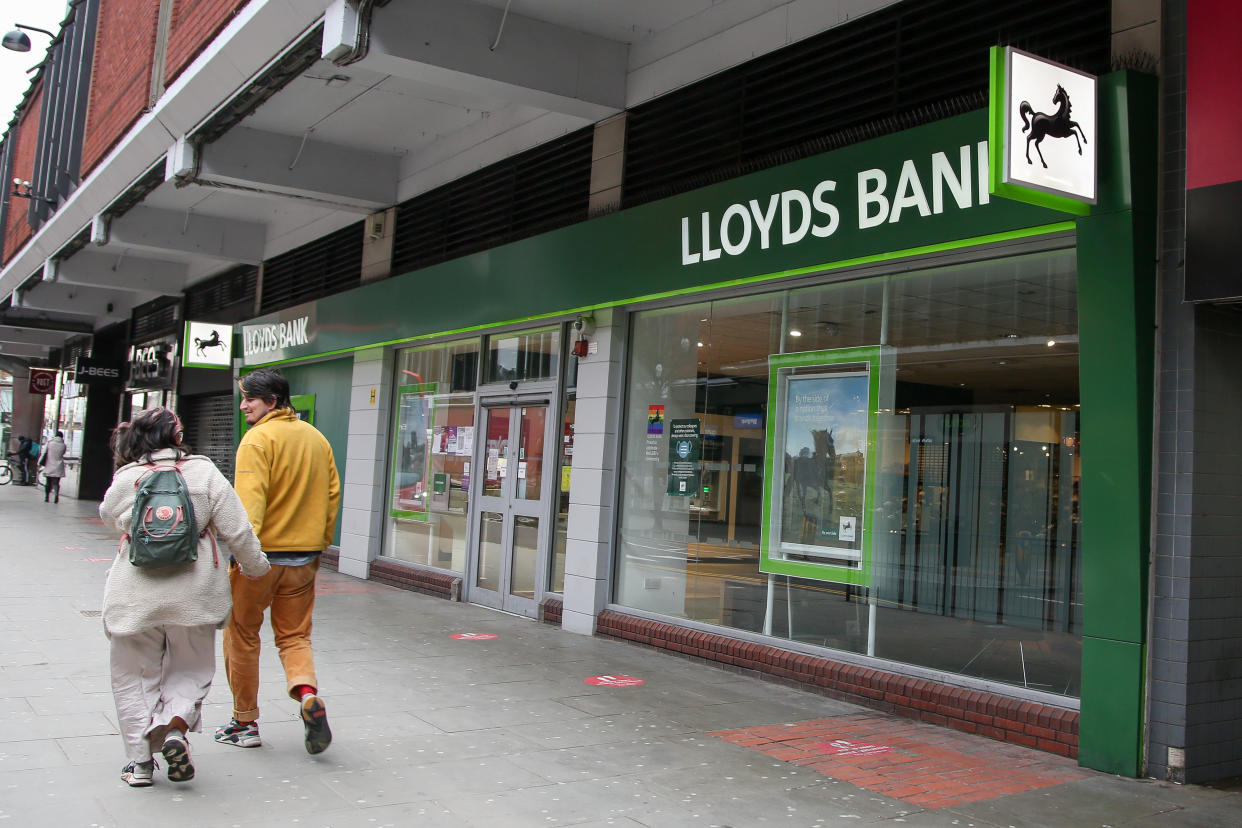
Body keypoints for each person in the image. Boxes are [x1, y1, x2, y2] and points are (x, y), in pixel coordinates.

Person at [100, 408, 269, 787]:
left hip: (135, 594)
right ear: (177, 437)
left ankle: (140, 765)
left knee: (132, 678)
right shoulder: (206, 473)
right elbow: (238, 531)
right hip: (195, 595)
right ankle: (174, 726)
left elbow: (109, 517)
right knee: (190, 670)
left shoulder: (128, 477)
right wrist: (257, 569)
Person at [216, 368, 341, 755]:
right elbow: (333, 495)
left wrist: (240, 557)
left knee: (242, 635)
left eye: (250, 398)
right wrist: (318, 545)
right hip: (303, 560)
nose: (243, 405)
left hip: (260, 560)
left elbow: (247, 508)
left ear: (272, 402)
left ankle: (244, 722)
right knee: (294, 637)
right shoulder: (316, 439)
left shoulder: (257, 441)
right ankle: (306, 696)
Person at [39, 430, 67, 503]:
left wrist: (39, 463)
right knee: (56, 483)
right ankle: (56, 495)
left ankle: (47, 497)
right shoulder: (63, 445)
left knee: (48, 482)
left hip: (49, 465)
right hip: (59, 466)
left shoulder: (50, 443)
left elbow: (44, 453)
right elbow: (63, 453)